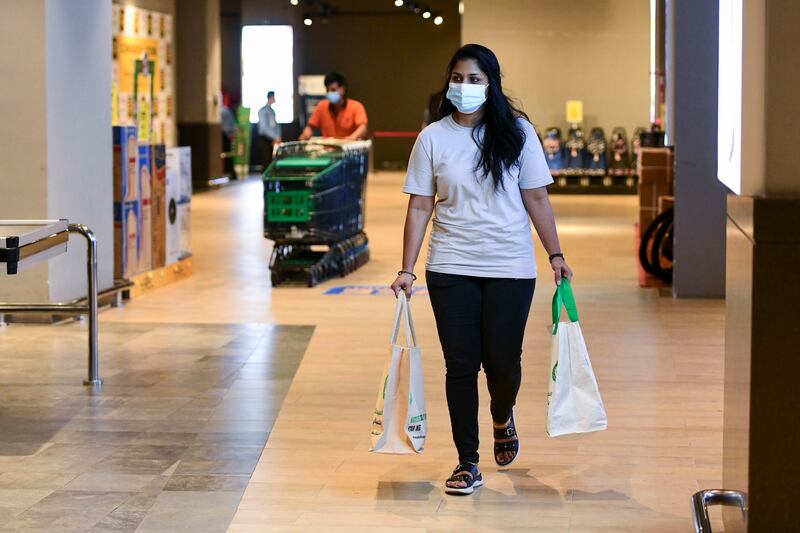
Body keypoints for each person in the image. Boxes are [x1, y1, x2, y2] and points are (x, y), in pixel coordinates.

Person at [390, 44, 574, 496]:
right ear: (447, 81)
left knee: (503, 365)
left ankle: (501, 413)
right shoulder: (432, 137)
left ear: (491, 84)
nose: (464, 86)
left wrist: (555, 254)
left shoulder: (518, 133)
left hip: (510, 265)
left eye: (475, 79)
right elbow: (419, 206)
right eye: (458, 77)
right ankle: (467, 461)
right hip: (450, 265)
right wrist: (407, 270)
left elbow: (536, 198)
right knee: (460, 365)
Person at [299, 72, 368, 140]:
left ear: (343, 89)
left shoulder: (356, 106)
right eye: (327, 90)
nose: (330, 93)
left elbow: (363, 128)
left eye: (333, 90)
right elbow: (310, 126)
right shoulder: (322, 106)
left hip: (348, 148)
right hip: (328, 149)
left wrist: (350, 139)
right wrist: (306, 134)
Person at [257, 91, 281, 169]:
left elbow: (275, 126)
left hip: (271, 139)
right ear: (271, 97)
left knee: (272, 160)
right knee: (266, 161)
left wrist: (277, 137)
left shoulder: (272, 111)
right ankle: (266, 180)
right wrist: (275, 137)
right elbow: (263, 128)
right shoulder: (262, 111)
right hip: (264, 139)